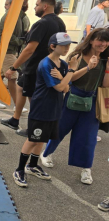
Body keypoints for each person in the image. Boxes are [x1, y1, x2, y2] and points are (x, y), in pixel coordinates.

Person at [41, 28, 109, 185]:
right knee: (60, 129)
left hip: (92, 101)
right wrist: (88, 67)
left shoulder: (105, 60)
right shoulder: (77, 57)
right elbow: (68, 79)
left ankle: (86, 168)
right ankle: (46, 153)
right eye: (100, 40)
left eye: (106, 41)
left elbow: (105, 86)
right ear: (91, 40)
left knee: (88, 136)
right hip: (73, 96)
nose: (104, 44)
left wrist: (107, 69)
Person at [12, 33, 75, 188]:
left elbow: (66, 88)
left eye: (68, 45)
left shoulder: (63, 65)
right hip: (41, 108)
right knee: (33, 138)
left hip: (55, 108)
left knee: (43, 138)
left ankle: (32, 165)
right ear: (53, 46)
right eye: (64, 45)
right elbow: (60, 87)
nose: (67, 48)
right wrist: (70, 74)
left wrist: (63, 77)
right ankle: (19, 169)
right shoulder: (46, 64)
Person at [1, 0, 66, 135]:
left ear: (45, 6)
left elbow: (30, 49)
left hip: (36, 66)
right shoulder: (60, 22)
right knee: (20, 87)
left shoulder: (42, 23)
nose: (35, 8)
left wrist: (13, 67)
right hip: (49, 64)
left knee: (34, 99)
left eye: (37, 5)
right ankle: (15, 119)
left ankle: (34, 129)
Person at [0, 0, 29, 109]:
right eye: (5, 4)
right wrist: (21, 41)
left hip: (7, 49)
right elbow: (9, 35)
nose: (5, 7)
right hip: (7, 49)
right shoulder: (11, 16)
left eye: (7, 4)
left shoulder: (16, 16)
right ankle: (17, 105)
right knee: (12, 77)